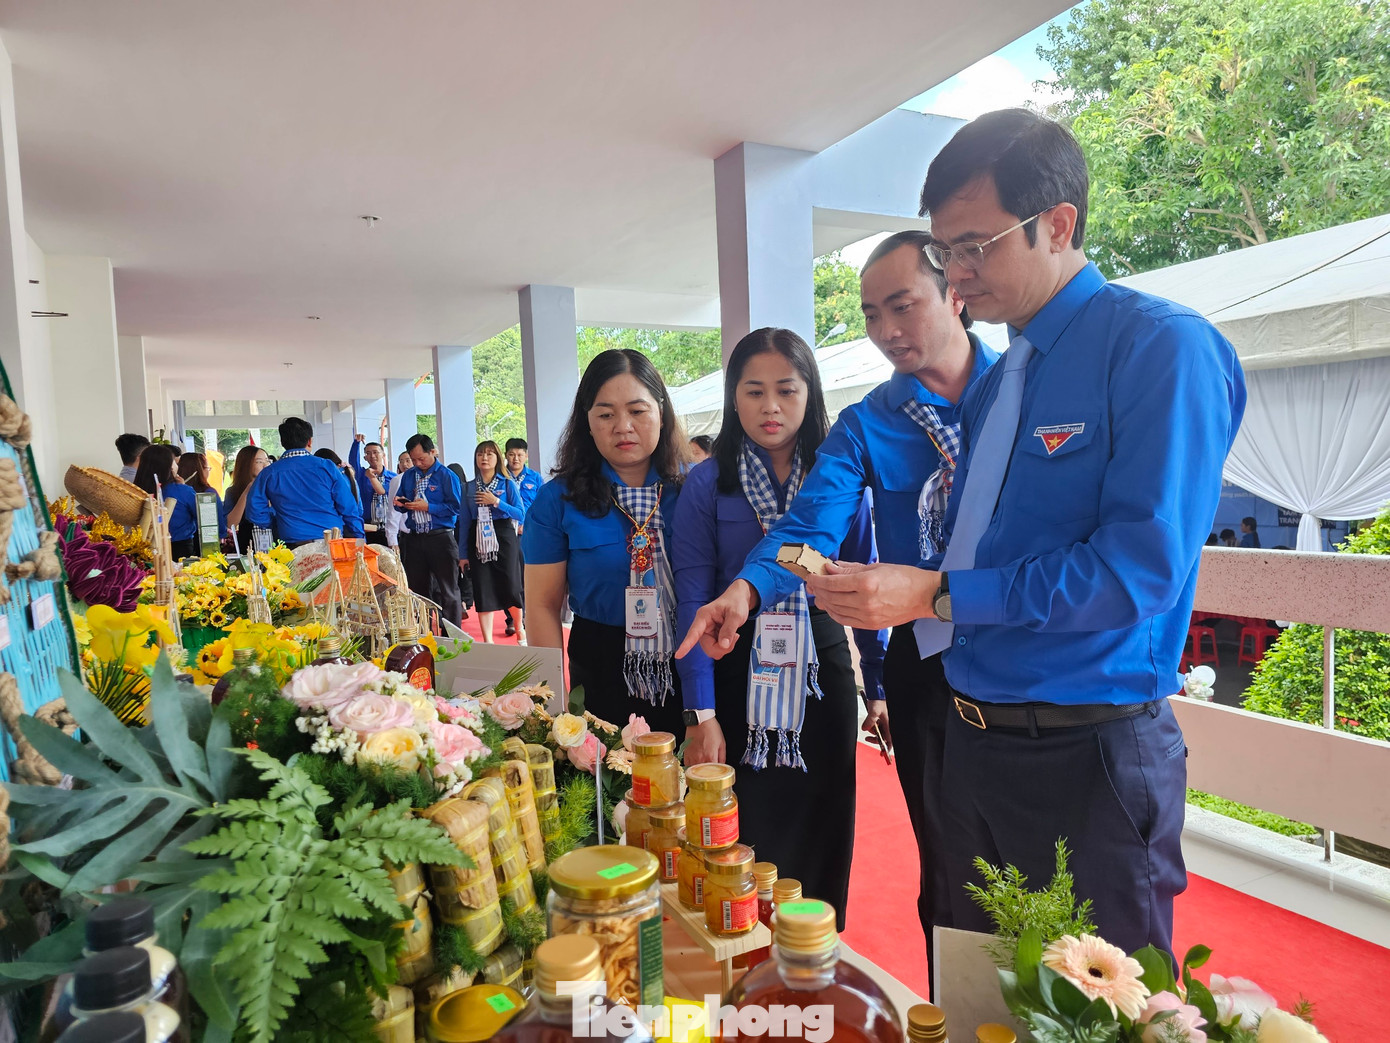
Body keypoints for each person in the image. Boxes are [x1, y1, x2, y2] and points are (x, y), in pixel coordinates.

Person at [799, 108, 1246, 961]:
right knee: (973, 992)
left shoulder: (1160, 349)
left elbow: (1136, 573)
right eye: (945, 254)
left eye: (976, 246)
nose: (957, 278)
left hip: (1088, 755)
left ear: (1059, 224)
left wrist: (935, 594)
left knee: (1093, 1003)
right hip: (970, 742)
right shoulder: (1008, 375)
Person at [676, 230, 996, 961]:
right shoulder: (864, 428)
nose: (885, 331)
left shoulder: (1018, 393)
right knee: (946, 870)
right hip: (924, 671)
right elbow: (809, 533)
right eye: (870, 313)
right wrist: (748, 590)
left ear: (956, 292)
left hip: (1019, 660)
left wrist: (869, 679)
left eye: (901, 306)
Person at [672, 327, 882, 931]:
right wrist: (700, 714)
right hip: (735, 667)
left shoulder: (839, 480)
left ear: (809, 395)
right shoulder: (707, 485)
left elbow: (860, 579)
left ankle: (816, 955)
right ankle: (745, 957)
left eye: (786, 391)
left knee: (824, 823)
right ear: (733, 398)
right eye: (753, 391)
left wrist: (881, 687)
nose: (770, 407)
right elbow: (693, 599)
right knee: (745, 829)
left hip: (822, 673)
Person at [522, 348, 686, 738]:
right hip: (599, 662)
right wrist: (552, 700)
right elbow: (542, 606)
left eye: (637, 410)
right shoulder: (556, 501)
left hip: (689, 659)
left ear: (661, 412)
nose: (623, 426)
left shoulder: (695, 490)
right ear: (588, 422)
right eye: (606, 414)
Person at [244, 417, 365, 549]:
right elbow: (348, 507)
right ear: (309, 441)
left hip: (293, 546)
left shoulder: (269, 473)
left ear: (282, 442)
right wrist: (359, 539)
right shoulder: (327, 467)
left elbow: (254, 511)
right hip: (331, 542)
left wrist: (277, 520)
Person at [394, 433, 464, 627]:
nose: (417, 463)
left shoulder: (447, 476)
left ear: (432, 452)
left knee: (448, 590)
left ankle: (452, 634)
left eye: (421, 458)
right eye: (413, 459)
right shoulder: (409, 475)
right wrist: (400, 504)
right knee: (417, 591)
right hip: (414, 538)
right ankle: (423, 632)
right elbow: (401, 499)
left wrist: (428, 507)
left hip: (440, 538)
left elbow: (457, 507)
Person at [460, 440, 526, 643]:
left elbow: (520, 514)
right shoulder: (468, 487)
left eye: (489, 454)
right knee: (483, 587)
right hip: (477, 537)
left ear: (498, 458)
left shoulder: (508, 483)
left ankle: (519, 627)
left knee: (511, 585)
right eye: (480, 454)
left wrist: (496, 502)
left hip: (504, 536)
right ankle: (488, 641)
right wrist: (462, 554)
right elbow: (464, 522)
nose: (484, 458)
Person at [502, 437, 544, 636]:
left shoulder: (535, 478)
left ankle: (527, 616)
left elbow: (542, 507)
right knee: (510, 578)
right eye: (511, 454)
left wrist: (526, 526)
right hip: (505, 535)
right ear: (505, 456)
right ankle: (511, 618)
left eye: (519, 454)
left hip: (528, 535)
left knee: (528, 576)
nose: (515, 458)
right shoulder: (500, 478)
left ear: (526, 456)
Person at [133, 444, 199, 559]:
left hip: (142, 549)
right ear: (169, 466)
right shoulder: (183, 491)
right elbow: (199, 515)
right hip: (180, 549)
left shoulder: (135, 492)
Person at [349, 435, 398, 545]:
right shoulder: (362, 475)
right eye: (368, 453)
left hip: (388, 526)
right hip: (368, 527)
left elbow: (382, 490)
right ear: (365, 457)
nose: (372, 456)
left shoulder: (393, 477)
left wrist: (371, 478)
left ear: (383, 454)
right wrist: (356, 443)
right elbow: (353, 462)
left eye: (375, 452)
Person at [224, 445, 270, 554]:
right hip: (247, 545)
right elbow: (231, 524)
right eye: (259, 462)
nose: (265, 465)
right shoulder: (233, 491)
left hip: (274, 543)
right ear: (246, 464)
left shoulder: (273, 487)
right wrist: (246, 492)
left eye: (267, 461)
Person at [176, 451, 227, 541]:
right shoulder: (209, 493)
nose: (209, 471)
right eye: (208, 468)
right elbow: (219, 525)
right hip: (206, 543)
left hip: (180, 542)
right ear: (199, 470)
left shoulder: (173, 491)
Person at [384, 450, 412, 550]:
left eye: (408, 460)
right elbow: (393, 511)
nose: (404, 464)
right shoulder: (399, 479)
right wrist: (392, 540)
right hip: (409, 535)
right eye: (401, 461)